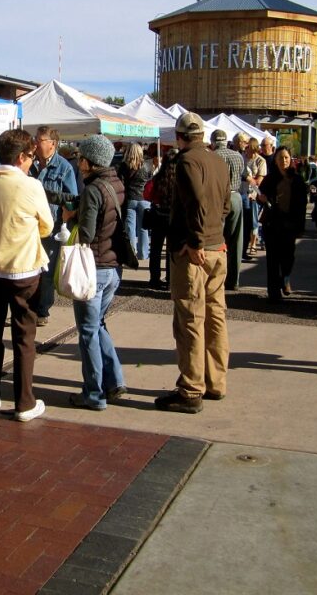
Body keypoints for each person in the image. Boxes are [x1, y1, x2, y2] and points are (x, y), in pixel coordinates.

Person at [155, 112, 232, 414]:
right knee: (215, 318)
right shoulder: (218, 161)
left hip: (195, 253)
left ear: (180, 136)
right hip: (217, 249)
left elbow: (197, 202)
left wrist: (195, 241)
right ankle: (215, 382)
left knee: (190, 320)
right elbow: (225, 204)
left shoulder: (186, 161)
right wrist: (211, 235)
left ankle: (190, 389)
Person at [0, 129, 53, 422]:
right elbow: (46, 225)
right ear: (21, 157)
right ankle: (23, 403)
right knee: (24, 337)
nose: (32, 161)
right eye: (31, 156)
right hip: (24, 270)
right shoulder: (32, 187)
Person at [60, 135, 127, 410]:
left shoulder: (93, 190)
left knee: (88, 330)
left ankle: (94, 393)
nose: (78, 163)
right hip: (112, 268)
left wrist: (70, 217)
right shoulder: (116, 183)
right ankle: (114, 381)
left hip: (94, 268)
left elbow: (86, 234)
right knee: (98, 325)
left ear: (89, 161)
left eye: (81, 159)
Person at [30, 126, 78, 327]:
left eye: (39, 140)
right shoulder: (29, 164)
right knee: (30, 268)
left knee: (46, 271)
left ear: (53, 144)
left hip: (52, 226)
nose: (35, 143)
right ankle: (29, 308)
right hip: (29, 226)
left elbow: (72, 199)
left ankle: (42, 310)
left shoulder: (64, 167)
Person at [257, 147, 308, 301]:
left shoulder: (297, 180)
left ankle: (285, 278)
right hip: (272, 223)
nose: (283, 161)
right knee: (272, 259)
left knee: (288, 257)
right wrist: (262, 198)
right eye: (280, 158)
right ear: (276, 160)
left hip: (290, 224)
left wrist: (300, 226)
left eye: (286, 158)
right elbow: (260, 194)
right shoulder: (270, 178)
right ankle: (274, 293)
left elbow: (302, 205)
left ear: (290, 159)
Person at [209, 130, 245, 290]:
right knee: (237, 240)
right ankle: (234, 280)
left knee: (217, 239)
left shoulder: (212, 156)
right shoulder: (238, 156)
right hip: (236, 196)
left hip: (219, 198)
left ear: (213, 141)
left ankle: (217, 278)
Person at [146, 147, 178, 290]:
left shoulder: (157, 178)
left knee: (155, 250)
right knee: (171, 250)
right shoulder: (180, 180)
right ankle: (171, 280)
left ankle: (154, 279)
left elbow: (147, 194)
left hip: (158, 215)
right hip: (173, 216)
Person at [116, 143, 152, 261]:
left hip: (130, 198)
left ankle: (131, 252)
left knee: (130, 228)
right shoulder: (147, 165)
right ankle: (143, 253)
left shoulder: (124, 166)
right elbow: (150, 181)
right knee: (143, 228)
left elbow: (120, 183)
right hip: (144, 199)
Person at [243, 137, 267, 259]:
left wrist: (248, 178)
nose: (247, 150)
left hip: (254, 194)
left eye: (249, 147)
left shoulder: (260, 161)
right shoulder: (242, 158)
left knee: (253, 221)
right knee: (244, 222)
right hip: (242, 192)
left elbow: (259, 181)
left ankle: (253, 244)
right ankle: (244, 244)